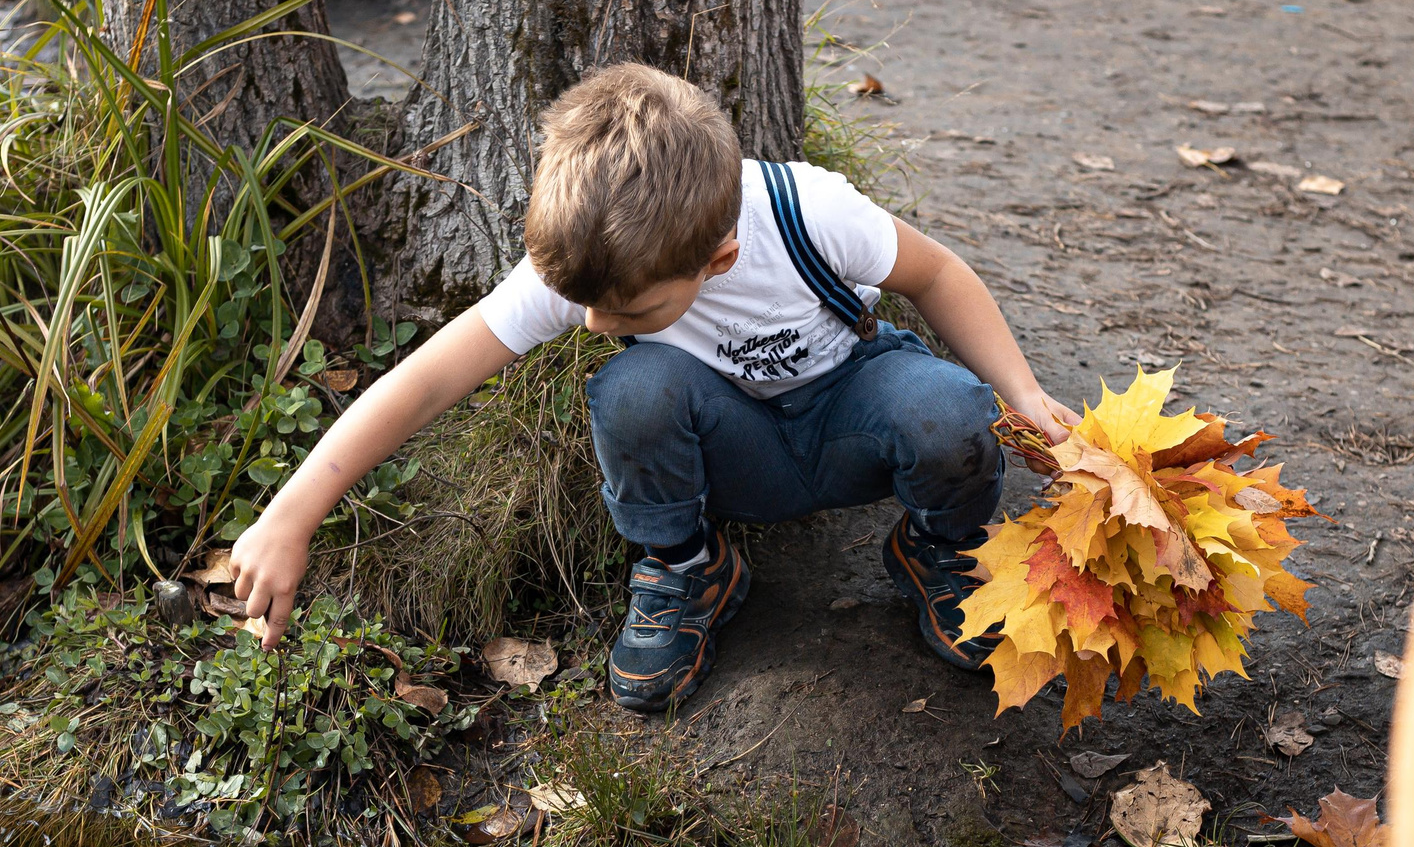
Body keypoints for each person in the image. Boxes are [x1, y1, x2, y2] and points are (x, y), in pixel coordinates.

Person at [227, 62, 1079, 712]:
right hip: (732, 448)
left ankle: (939, 549)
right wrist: (290, 514)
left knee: (951, 411)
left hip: (851, 409)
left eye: (628, 307)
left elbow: (938, 276)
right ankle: (688, 569)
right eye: (584, 305)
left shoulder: (807, 214)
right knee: (632, 386)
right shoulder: (593, 272)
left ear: (718, 258)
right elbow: (423, 382)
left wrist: (1026, 394)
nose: (595, 324)